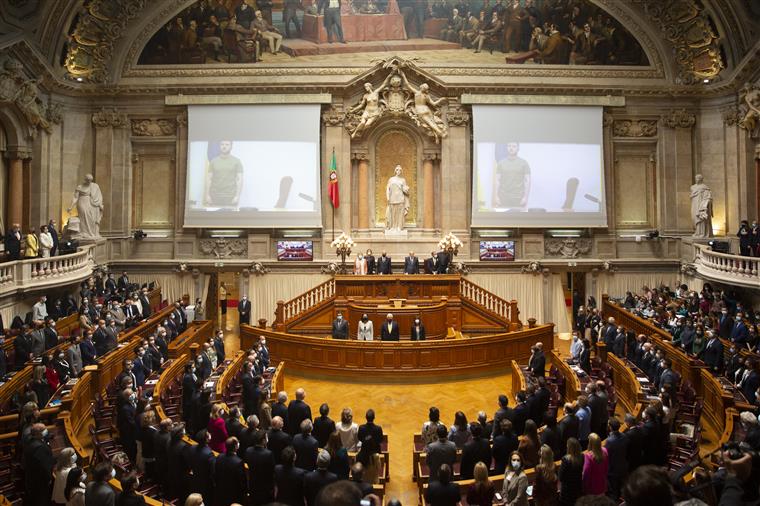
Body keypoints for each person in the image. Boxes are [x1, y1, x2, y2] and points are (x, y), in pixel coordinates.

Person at [24, 423, 55, 506]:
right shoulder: (40, 448)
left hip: (31, 478)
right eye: (43, 430)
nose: (46, 431)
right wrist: (49, 478)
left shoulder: (30, 441)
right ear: (38, 434)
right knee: (41, 500)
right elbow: (45, 467)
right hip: (40, 483)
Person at [205, 141, 243, 207]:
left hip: (230, 197)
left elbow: (239, 180)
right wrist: (207, 195)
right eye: (222, 144)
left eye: (227, 144)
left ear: (231, 146)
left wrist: (237, 196)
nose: (224, 146)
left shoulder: (237, 161)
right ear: (219, 146)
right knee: (215, 217)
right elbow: (209, 179)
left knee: (229, 217)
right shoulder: (213, 161)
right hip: (215, 196)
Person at [68, 174, 104, 240]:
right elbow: (75, 198)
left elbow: (99, 196)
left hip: (92, 204)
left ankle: (91, 233)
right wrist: (71, 207)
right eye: (88, 180)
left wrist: (99, 204)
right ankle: (84, 232)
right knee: (84, 215)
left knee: (91, 218)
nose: (89, 182)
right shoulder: (80, 187)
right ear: (85, 180)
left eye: (90, 180)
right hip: (82, 202)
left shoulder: (95, 186)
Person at [245, 430, 276, 505]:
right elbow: (272, 471)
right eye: (266, 438)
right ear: (263, 440)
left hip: (252, 484)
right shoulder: (268, 454)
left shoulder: (248, 450)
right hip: (265, 486)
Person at [385, 165, 410, 231]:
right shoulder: (391, 179)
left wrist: (406, 189)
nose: (398, 171)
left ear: (401, 171)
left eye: (400, 170)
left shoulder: (403, 180)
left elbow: (405, 189)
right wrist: (387, 197)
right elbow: (388, 188)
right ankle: (393, 226)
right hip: (392, 198)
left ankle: (399, 226)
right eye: (397, 170)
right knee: (393, 213)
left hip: (400, 198)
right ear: (395, 171)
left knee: (400, 214)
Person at [559, 437, 583, 506]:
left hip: (567, 492)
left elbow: (560, 477)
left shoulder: (565, 460)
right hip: (578, 489)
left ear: (569, 448)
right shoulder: (582, 457)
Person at [691, 174, 713, 238]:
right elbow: (692, 195)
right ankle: (697, 232)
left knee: (701, 218)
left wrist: (705, 204)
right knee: (694, 217)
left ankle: (701, 233)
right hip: (694, 205)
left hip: (701, 205)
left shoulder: (705, 187)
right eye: (696, 178)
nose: (696, 180)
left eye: (698, 178)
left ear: (701, 179)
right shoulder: (693, 187)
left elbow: (709, 197)